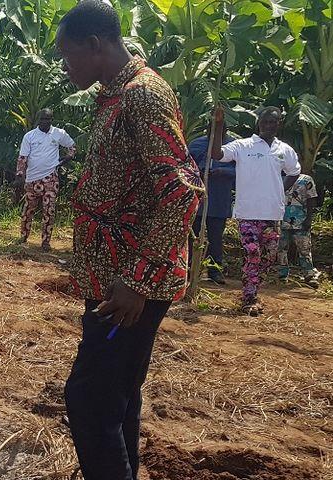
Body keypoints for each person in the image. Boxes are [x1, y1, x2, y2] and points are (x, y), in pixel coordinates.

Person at [55, 3, 202, 480]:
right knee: (115, 401)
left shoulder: (142, 96)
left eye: (67, 53)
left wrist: (137, 282)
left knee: (90, 401)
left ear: (94, 45)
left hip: (129, 288)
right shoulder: (116, 96)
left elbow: (181, 193)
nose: (64, 65)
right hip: (115, 281)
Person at [210, 106, 301, 315]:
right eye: (265, 121)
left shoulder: (284, 149)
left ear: (279, 124)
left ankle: (252, 288)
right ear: (259, 123)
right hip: (248, 212)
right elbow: (217, 154)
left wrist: (280, 188)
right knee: (252, 253)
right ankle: (249, 299)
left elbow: (294, 171)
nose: (269, 125)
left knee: (268, 258)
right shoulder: (243, 145)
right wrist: (217, 126)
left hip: (272, 213)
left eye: (273, 122)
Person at [15, 108, 77, 250]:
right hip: (32, 180)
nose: (45, 121)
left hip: (50, 178)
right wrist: (19, 175)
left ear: (51, 120)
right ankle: (23, 237)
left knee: (49, 210)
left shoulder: (58, 133)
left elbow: (72, 146)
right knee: (28, 209)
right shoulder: (29, 136)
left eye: (48, 119)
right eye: (43, 119)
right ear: (38, 120)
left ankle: (45, 242)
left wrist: (69, 157)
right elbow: (23, 158)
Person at [187, 131, 236, 284]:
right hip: (198, 199)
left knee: (216, 238)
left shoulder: (235, 146)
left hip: (219, 200)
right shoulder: (196, 144)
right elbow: (185, 167)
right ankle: (189, 270)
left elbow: (243, 170)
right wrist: (199, 172)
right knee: (192, 237)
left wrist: (224, 171)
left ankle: (215, 271)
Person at [279, 171, 321, 287]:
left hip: (301, 220)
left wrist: (309, 219)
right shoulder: (276, 177)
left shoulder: (306, 179)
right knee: (281, 249)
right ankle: (282, 276)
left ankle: (309, 275)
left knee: (304, 249)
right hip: (280, 220)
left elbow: (311, 199)